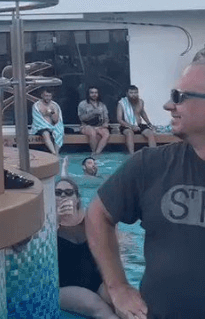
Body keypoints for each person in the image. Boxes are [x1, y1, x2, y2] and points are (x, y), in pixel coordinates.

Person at [86, 62, 205, 318]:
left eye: (179, 97)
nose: (168, 105)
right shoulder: (150, 165)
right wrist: (117, 286)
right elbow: (98, 214)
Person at [55, 177, 118, 319]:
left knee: (120, 301)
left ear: (77, 199)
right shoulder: (47, 226)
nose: (63, 196)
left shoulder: (89, 222)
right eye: (58, 193)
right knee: (98, 306)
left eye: (68, 192)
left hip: (96, 281)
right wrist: (56, 219)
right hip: (65, 287)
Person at [115, 85, 157, 154]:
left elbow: (142, 113)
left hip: (139, 125)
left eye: (135, 93)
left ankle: (154, 153)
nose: (133, 95)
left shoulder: (140, 102)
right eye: (131, 93)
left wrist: (149, 124)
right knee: (129, 133)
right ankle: (132, 154)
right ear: (127, 93)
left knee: (150, 133)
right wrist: (131, 126)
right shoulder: (122, 103)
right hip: (127, 126)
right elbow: (119, 119)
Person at [79, 86, 110, 156]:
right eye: (92, 93)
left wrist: (105, 123)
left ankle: (97, 153)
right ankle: (93, 151)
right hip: (86, 126)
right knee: (92, 133)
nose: (94, 94)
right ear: (88, 94)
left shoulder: (102, 105)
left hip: (99, 126)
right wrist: (93, 113)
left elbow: (106, 117)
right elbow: (81, 118)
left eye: (96, 93)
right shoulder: (83, 104)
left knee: (106, 134)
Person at [32, 88, 64, 156]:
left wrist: (51, 112)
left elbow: (56, 120)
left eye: (49, 96)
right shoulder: (37, 105)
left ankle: (57, 153)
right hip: (41, 126)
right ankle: (53, 153)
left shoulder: (54, 105)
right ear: (42, 95)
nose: (48, 98)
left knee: (58, 133)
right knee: (46, 134)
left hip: (53, 126)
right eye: (46, 96)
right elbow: (37, 119)